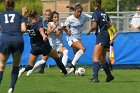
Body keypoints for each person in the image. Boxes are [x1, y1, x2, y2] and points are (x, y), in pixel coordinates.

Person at [18, 10, 67, 77]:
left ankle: (22, 70)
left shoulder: (28, 25)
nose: (39, 17)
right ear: (36, 16)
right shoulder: (39, 23)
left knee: (30, 65)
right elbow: (41, 30)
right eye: (38, 15)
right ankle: (65, 73)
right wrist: (44, 36)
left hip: (34, 47)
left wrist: (23, 13)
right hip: (44, 46)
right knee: (56, 58)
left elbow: (23, 22)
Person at [0, 0, 26, 93]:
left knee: (1, 65)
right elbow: (23, 29)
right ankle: (11, 87)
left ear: (5, 5)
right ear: (14, 5)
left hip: (5, 39)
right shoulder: (19, 15)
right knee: (15, 65)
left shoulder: (1, 15)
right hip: (17, 40)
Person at [86, 0, 114, 83]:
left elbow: (94, 26)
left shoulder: (95, 13)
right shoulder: (104, 13)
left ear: (93, 4)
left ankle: (95, 78)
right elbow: (110, 25)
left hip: (101, 36)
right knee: (102, 58)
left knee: (95, 57)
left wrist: (89, 30)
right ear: (100, 4)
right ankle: (109, 76)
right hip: (106, 36)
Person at [60, 3, 92, 74]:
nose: (79, 13)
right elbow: (64, 26)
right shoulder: (70, 19)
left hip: (78, 39)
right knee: (83, 49)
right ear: (74, 11)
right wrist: (65, 30)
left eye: (80, 12)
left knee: (76, 58)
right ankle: (71, 65)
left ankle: (72, 71)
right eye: (78, 12)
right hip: (71, 38)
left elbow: (93, 17)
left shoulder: (83, 16)